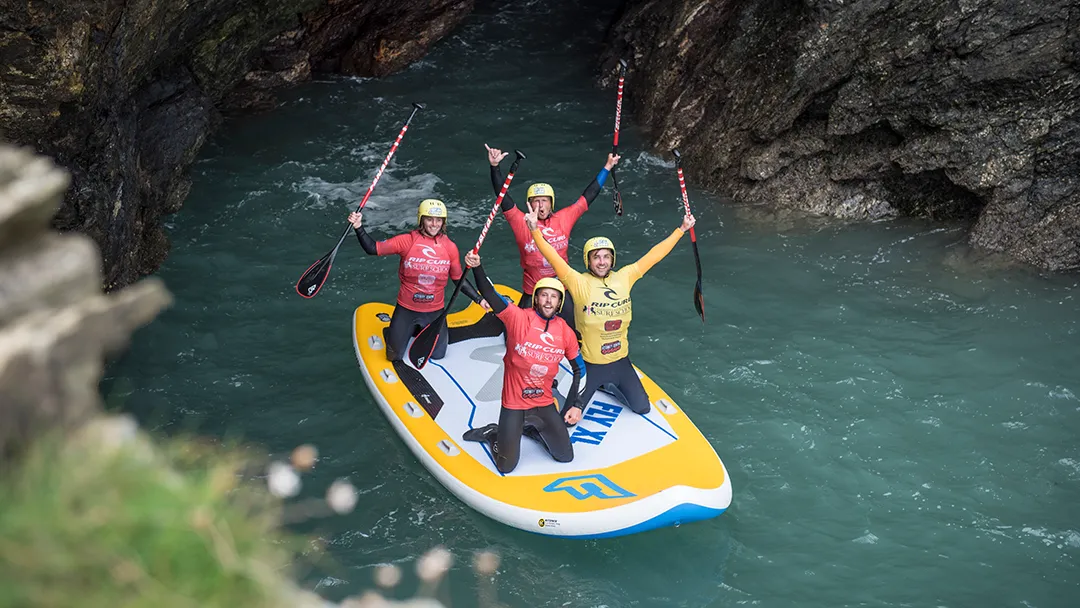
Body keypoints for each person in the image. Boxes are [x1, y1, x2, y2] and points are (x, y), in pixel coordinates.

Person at [525, 199, 696, 425]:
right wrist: (535, 230)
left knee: (642, 407)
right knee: (567, 421)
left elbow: (654, 255)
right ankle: (555, 398)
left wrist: (681, 229)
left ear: (612, 258)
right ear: (588, 260)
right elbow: (553, 257)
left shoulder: (625, 276)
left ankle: (609, 387)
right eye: (596, 257)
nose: (602, 262)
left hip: (621, 363)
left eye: (606, 256)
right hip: (590, 367)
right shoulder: (578, 282)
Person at [460, 250, 585, 473]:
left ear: (559, 302)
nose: (548, 301)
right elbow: (490, 293)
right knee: (506, 466)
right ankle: (493, 433)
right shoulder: (518, 317)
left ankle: (532, 430)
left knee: (565, 457)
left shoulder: (565, 332)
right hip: (514, 405)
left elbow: (580, 370)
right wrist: (477, 267)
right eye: (544, 295)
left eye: (554, 296)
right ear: (536, 298)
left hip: (543, 404)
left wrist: (576, 404)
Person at [485, 144, 620, 331]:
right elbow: (502, 196)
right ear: (529, 204)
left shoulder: (564, 218)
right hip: (532, 292)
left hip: (561, 290)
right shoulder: (520, 220)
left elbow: (589, 195)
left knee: (577, 332)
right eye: (536, 201)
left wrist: (607, 167)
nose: (540, 206)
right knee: (516, 335)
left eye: (545, 201)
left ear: (551, 203)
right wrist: (494, 167)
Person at [348, 199, 488, 362]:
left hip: (434, 312)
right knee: (393, 356)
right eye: (429, 219)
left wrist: (479, 299)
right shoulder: (407, 241)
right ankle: (396, 330)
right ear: (421, 220)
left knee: (438, 355)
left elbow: (458, 279)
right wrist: (358, 226)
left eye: (438, 220)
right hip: (407, 309)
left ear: (443, 222)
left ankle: (415, 330)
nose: (434, 224)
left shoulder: (449, 247)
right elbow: (373, 248)